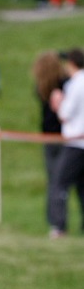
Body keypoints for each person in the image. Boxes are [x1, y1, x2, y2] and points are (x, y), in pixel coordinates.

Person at [49, 48, 84, 238]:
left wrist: (58, 102)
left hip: (75, 142)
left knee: (60, 183)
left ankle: (59, 226)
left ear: (71, 63)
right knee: (82, 186)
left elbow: (65, 114)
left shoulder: (75, 84)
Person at [32, 51, 68, 230]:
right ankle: (58, 222)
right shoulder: (63, 83)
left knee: (54, 180)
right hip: (63, 136)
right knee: (60, 181)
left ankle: (54, 221)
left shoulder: (41, 86)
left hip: (48, 137)